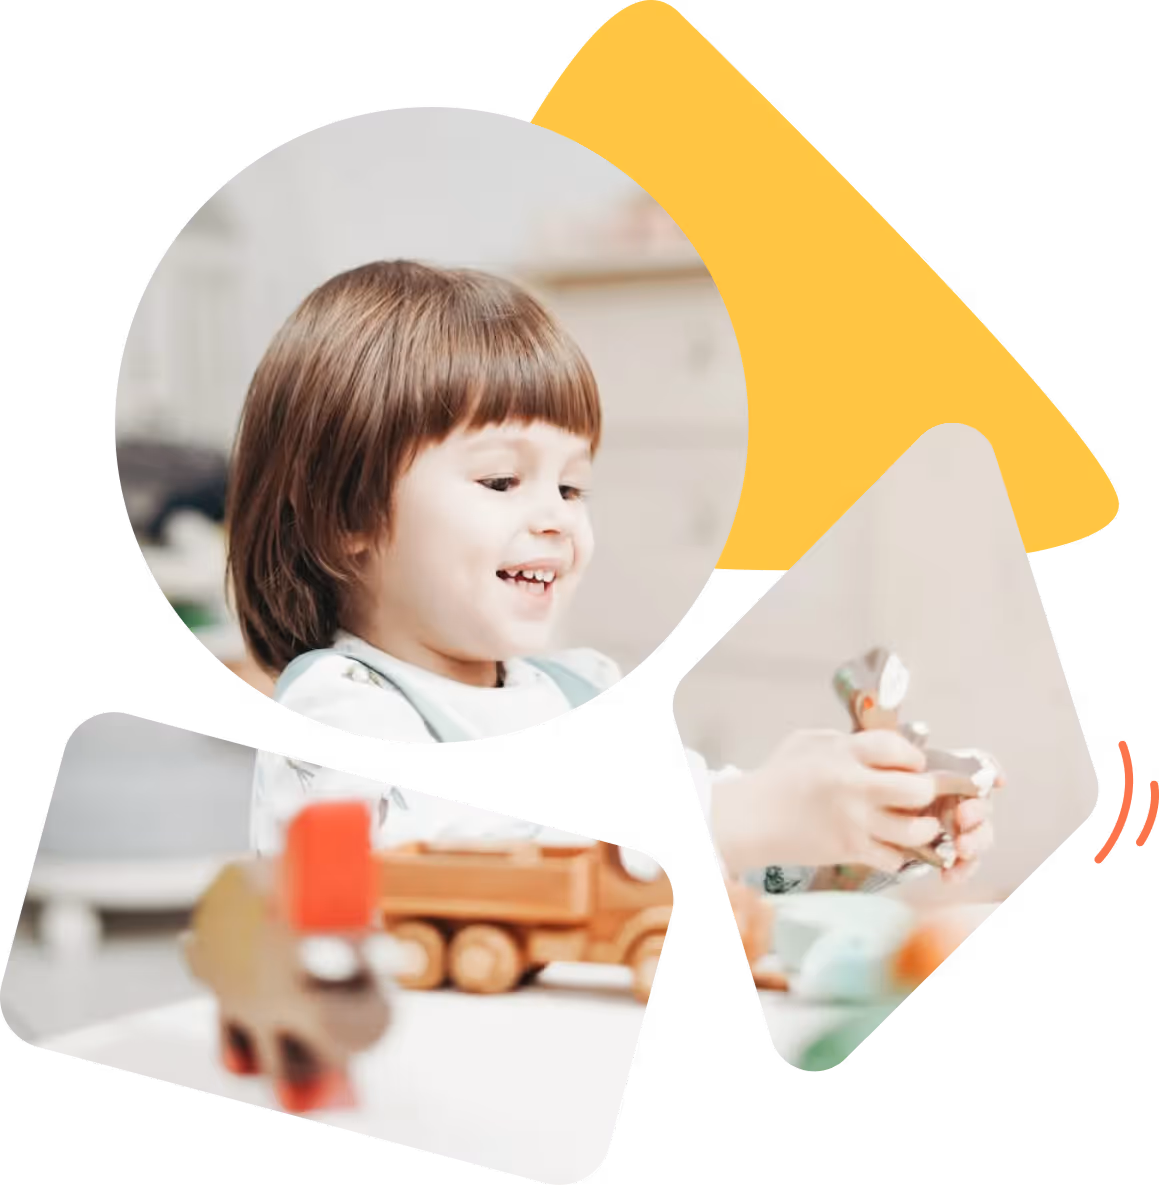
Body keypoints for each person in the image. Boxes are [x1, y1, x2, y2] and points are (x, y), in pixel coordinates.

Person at [225, 260, 995, 889]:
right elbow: (435, 868)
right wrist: (739, 811)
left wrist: (851, 832)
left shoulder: (584, 689)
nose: (556, 517)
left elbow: (725, 854)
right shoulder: (334, 713)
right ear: (345, 516)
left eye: (571, 486)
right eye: (500, 481)